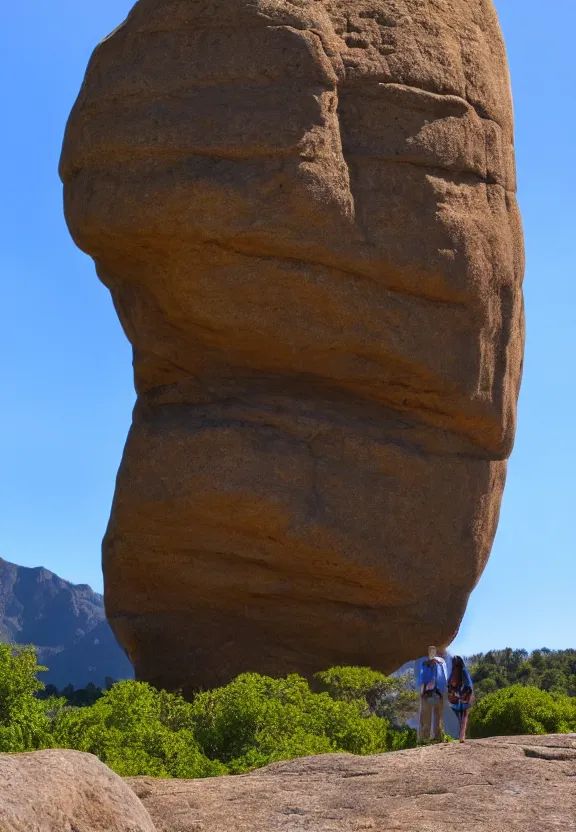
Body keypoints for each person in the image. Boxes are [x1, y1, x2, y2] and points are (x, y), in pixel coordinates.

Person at [417, 645, 448, 742]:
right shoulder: (425, 664)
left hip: (438, 692)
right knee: (427, 717)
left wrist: (444, 690)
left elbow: (444, 676)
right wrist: (422, 692)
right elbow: (422, 679)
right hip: (428, 693)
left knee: (438, 717)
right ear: (428, 652)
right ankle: (425, 738)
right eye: (430, 651)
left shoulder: (440, 663)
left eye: (433, 651)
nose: (432, 653)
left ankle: (437, 737)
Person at [447, 655, 474, 742]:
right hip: (465, 697)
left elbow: (449, 683)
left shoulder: (453, 671)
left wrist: (453, 694)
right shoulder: (463, 670)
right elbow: (468, 684)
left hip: (457, 697)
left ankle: (461, 735)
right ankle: (462, 736)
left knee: (460, 717)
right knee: (464, 716)